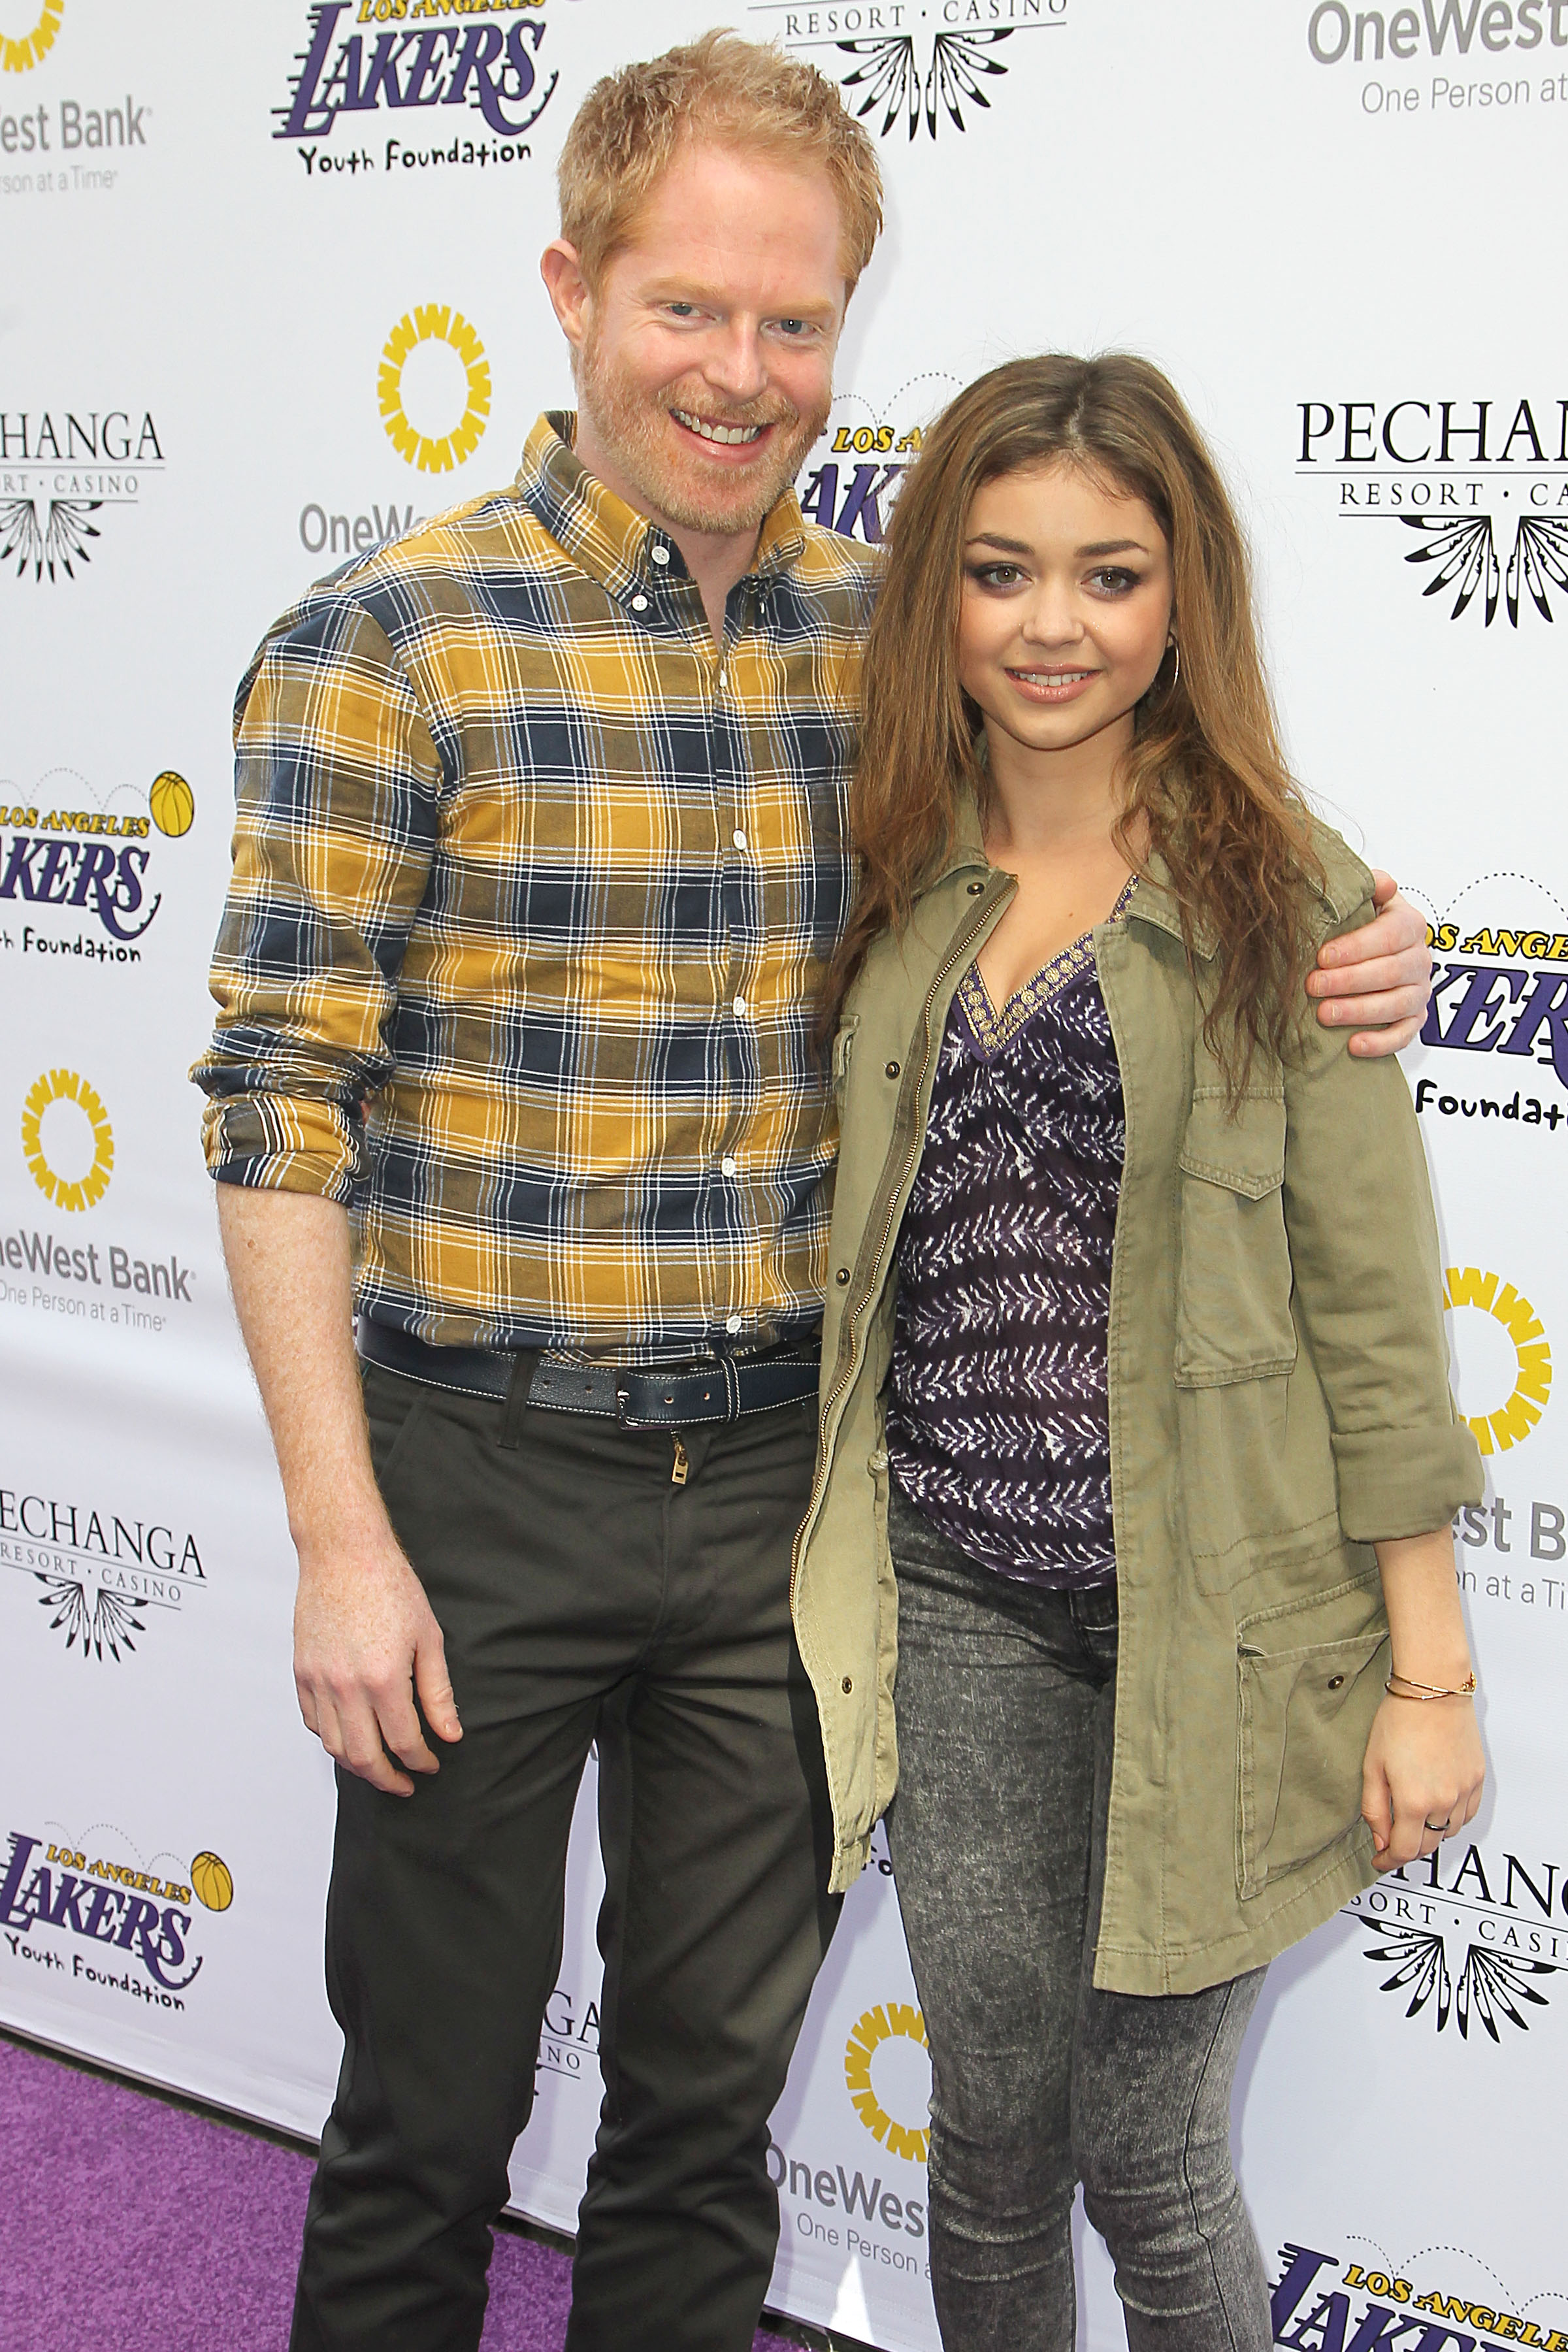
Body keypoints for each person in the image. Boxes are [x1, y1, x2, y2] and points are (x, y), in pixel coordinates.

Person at [192, 30, 1435, 2348]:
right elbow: (276, 1102)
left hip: (790, 1493)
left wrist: (1367, 927)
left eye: (794, 322)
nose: (741, 373)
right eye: (689, 309)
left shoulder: (895, 644)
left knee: (701, 2117)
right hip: (472, 1485)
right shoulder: (390, 645)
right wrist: (343, 1544)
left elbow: (1140, 783)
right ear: (571, 293)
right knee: (428, 2123)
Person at [800, 353, 1485, 2352]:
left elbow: (1376, 1313)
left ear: (1184, 598)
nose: (1051, 626)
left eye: (1110, 575)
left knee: (1151, 2161)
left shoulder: (1296, 902)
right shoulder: (883, 866)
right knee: (993, 2140)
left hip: (1233, 1628)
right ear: (937, 587)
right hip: (960, 1602)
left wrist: (1428, 1673)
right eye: (1001, 572)